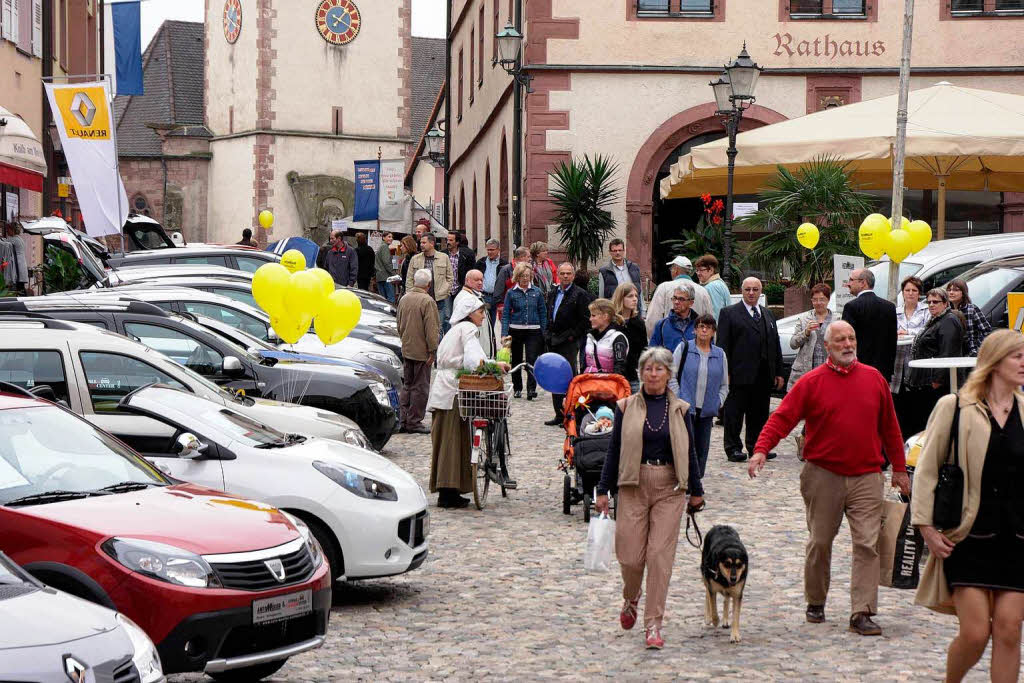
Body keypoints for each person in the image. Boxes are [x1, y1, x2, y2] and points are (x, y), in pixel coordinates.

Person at [749, 321, 910, 636]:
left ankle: (862, 612)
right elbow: (782, 418)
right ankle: (816, 600)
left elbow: (890, 426)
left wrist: (900, 469)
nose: (848, 344)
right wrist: (760, 450)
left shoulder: (874, 379)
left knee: (867, 543)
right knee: (820, 542)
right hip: (823, 475)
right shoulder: (811, 382)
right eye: (840, 339)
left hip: (867, 475)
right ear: (827, 346)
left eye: (851, 338)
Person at [912, 329, 1024, 683]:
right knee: (975, 634)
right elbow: (927, 470)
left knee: (1009, 631)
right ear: (994, 362)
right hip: (968, 537)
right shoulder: (955, 407)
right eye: (1016, 356)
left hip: (1017, 539)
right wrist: (926, 528)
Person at [594, 346, 705, 650]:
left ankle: (653, 623)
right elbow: (613, 450)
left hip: (670, 488)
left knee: (659, 558)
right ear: (640, 373)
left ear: (669, 374)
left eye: (659, 369)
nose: (653, 374)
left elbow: (690, 453)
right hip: (632, 485)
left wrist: (696, 491)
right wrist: (602, 490)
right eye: (648, 369)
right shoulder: (625, 407)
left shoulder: (681, 409)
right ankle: (631, 597)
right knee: (630, 557)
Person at [426, 296, 508, 508]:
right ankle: (448, 492)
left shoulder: (455, 330)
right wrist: (495, 365)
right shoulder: (468, 329)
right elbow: (473, 361)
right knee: (451, 440)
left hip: (445, 387)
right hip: (453, 389)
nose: (483, 315)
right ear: (470, 313)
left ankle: (450, 489)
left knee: (448, 439)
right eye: (480, 312)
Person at [716, 277, 784, 463]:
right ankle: (733, 447)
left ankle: (757, 446)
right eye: (748, 290)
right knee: (734, 413)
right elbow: (723, 345)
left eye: (755, 289)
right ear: (742, 291)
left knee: (760, 413)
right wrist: (725, 372)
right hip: (738, 373)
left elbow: (775, 344)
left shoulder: (768, 314)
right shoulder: (729, 313)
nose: (751, 293)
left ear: (760, 292)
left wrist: (778, 371)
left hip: (763, 375)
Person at [669, 314, 728, 478]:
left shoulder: (720, 354)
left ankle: (696, 481)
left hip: (707, 410)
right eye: (701, 326)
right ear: (694, 330)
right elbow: (672, 376)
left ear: (713, 331)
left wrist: (718, 402)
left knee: (702, 449)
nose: (704, 330)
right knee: (685, 446)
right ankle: (683, 479)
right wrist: (678, 399)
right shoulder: (684, 348)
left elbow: (724, 384)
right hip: (686, 408)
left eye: (708, 327)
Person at [906, 288, 966, 436]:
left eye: (936, 302)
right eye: (929, 302)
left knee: (933, 423)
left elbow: (948, 353)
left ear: (945, 304)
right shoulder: (936, 319)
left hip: (937, 383)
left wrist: (937, 380)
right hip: (925, 380)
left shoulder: (949, 321)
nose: (931, 305)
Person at [545, 262, 592, 426]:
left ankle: (569, 414)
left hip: (569, 342)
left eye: (568, 274)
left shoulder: (580, 294)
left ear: (573, 275)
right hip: (553, 340)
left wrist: (572, 336)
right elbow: (549, 314)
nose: (565, 276)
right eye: (562, 273)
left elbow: (585, 321)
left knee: (568, 378)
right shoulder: (553, 292)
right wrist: (548, 334)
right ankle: (558, 413)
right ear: (558, 274)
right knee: (554, 377)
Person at [396, 269, 440, 434]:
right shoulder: (427, 301)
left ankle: (403, 419)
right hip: (421, 350)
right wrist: (432, 350)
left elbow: (399, 324)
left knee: (407, 385)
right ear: (428, 285)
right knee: (420, 387)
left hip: (407, 347)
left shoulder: (404, 298)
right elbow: (431, 329)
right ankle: (414, 421)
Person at [501, 262, 547, 400]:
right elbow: (506, 315)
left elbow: (542, 312)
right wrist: (504, 333)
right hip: (516, 329)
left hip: (534, 330)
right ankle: (517, 388)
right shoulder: (511, 293)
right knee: (516, 360)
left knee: (532, 360)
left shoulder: (537, 292)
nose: (525, 279)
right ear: (517, 277)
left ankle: (531, 389)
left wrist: (544, 332)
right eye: (522, 276)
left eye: (527, 276)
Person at [890, 276, 929, 437]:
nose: (910, 293)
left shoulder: (926, 310)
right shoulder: (895, 311)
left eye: (914, 290)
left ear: (919, 293)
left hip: (916, 363)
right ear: (902, 292)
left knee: (916, 403)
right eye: (907, 290)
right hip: (898, 363)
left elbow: (927, 332)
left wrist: (909, 333)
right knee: (899, 403)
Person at [841, 268, 897, 380]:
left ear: (863, 283)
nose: (848, 284)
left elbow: (845, 340)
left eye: (851, 280)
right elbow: (892, 341)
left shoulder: (851, 307)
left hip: (858, 371)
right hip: (883, 372)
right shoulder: (889, 307)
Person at [646, 257, 713, 337]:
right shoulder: (703, 291)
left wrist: (656, 341)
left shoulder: (664, 288)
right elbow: (709, 320)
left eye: (671, 268)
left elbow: (652, 320)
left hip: (669, 341)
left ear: (676, 270)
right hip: (696, 342)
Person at [788, 283, 833, 391]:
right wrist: (806, 332)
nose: (818, 303)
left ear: (828, 300)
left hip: (829, 371)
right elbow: (793, 344)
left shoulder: (837, 319)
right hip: (806, 371)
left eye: (822, 299)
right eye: (815, 300)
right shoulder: (804, 319)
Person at [405, 234, 454, 328]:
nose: (421, 245)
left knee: (438, 327)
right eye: (420, 243)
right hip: (419, 300)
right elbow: (409, 278)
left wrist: (445, 291)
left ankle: (438, 343)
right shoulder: (415, 259)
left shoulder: (444, 257)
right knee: (420, 327)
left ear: (432, 243)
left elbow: (450, 277)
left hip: (438, 299)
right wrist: (410, 294)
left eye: (424, 242)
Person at [613, 282, 647, 391]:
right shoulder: (612, 322)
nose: (635, 299)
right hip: (613, 377)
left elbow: (643, 348)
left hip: (633, 376)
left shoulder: (638, 322)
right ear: (620, 298)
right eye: (630, 296)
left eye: (636, 296)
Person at [454, 269, 495, 358]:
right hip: (474, 354)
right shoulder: (465, 298)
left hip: (481, 352)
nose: (480, 283)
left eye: (482, 280)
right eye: (476, 280)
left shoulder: (476, 295)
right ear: (467, 280)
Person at [581, 298, 629, 375]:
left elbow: (620, 367)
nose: (590, 319)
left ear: (605, 316)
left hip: (608, 384)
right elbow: (584, 364)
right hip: (589, 382)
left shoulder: (617, 337)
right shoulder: (589, 337)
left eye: (593, 315)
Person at [947, 277, 992, 357]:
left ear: (963, 293)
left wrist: (976, 350)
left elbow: (987, 331)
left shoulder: (971, 309)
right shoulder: (947, 310)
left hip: (970, 354)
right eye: (949, 290)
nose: (951, 292)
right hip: (954, 354)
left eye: (956, 290)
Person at [598, 238, 644, 315]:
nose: (617, 253)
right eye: (614, 251)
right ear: (610, 252)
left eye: (620, 250)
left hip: (634, 310)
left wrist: (643, 312)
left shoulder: (634, 268)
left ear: (624, 251)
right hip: (615, 312)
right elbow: (601, 297)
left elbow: (640, 292)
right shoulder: (604, 271)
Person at [649, 284, 698, 353]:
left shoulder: (700, 325)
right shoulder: (661, 325)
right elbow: (652, 353)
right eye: (674, 298)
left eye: (681, 299)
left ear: (691, 303)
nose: (676, 302)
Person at [475, 238, 508, 323]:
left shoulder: (504, 264)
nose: (490, 252)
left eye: (492, 250)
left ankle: (492, 336)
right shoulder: (481, 262)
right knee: (484, 323)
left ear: (498, 250)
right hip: (483, 296)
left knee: (494, 322)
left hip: (497, 298)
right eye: (488, 250)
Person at [493, 247, 530, 321]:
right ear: (521, 257)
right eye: (528, 257)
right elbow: (498, 289)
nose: (530, 259)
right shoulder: (506, 270)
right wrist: (501, 305)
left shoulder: (529, 269)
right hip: (509, 310)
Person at [695, 254, 731, 320]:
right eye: (697, 270)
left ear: (711, 270)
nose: (698, 273)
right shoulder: (720, 283)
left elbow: (716, 313)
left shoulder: (711, 287)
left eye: (701, 270)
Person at [446, 232, 476, 298]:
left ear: (457, 242)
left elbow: (470, 272)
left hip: (461, 290)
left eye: (451, 240)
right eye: (447, 240)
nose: (448, 242)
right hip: (446, 291)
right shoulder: (443, 254)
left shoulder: (466, 255)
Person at [374, 232, 397, 303]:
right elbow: (387, 263)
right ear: (383, 238)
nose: (391, 238)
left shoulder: (381, 247)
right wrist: (394, 274)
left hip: (380, 276)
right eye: (389, 237)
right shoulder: (384, 247)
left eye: (392, 237)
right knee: (390, 300)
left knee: (383, 300)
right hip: (386, 276)